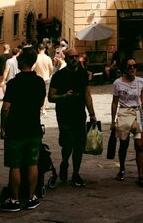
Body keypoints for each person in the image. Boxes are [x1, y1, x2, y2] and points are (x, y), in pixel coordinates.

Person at [0, 47, 45, 212]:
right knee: (33, 163)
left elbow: (6, 108)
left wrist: (2, 127)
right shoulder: (39, 82)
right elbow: (41, 103)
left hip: (15, 128)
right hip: (33, 127)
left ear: (22, 61)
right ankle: (32, 197)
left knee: (15, 164)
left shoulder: (13, 83)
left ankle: (14, 199)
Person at [49, 48, 96, 187]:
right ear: (65, 59)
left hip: (79, 114)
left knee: (79, 145)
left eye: (76, 57)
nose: (74, 59)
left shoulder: (82, 74)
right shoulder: (59, 76)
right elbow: (51, 97)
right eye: (71, 57)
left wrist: (92, 114)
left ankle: (76, 174)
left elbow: (87, 95)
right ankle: (64, 162)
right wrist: (64, 96)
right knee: (67, 143)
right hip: (64, 115)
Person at [110, 58, 143, 187]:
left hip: (137, 114)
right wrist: (113, 120)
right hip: (123, 114)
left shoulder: (141, 82)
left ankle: (141, 176)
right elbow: (115, 102)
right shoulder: (117, 83)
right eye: (129, 66)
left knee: (139, 145)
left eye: (134, 66)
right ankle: (122, 169)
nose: (132, 68)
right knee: (124, 144)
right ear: (125, 68)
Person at [33, 44, 54, 115]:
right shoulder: (48, 58)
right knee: (45, 95)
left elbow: (32, 68)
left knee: (37, 94)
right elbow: (51, 68)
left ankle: (38, 108)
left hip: (37, 78)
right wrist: (49, 74)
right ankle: (43, 109)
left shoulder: (36, 58)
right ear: (44, 49)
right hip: (46, 78)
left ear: (38, 49)